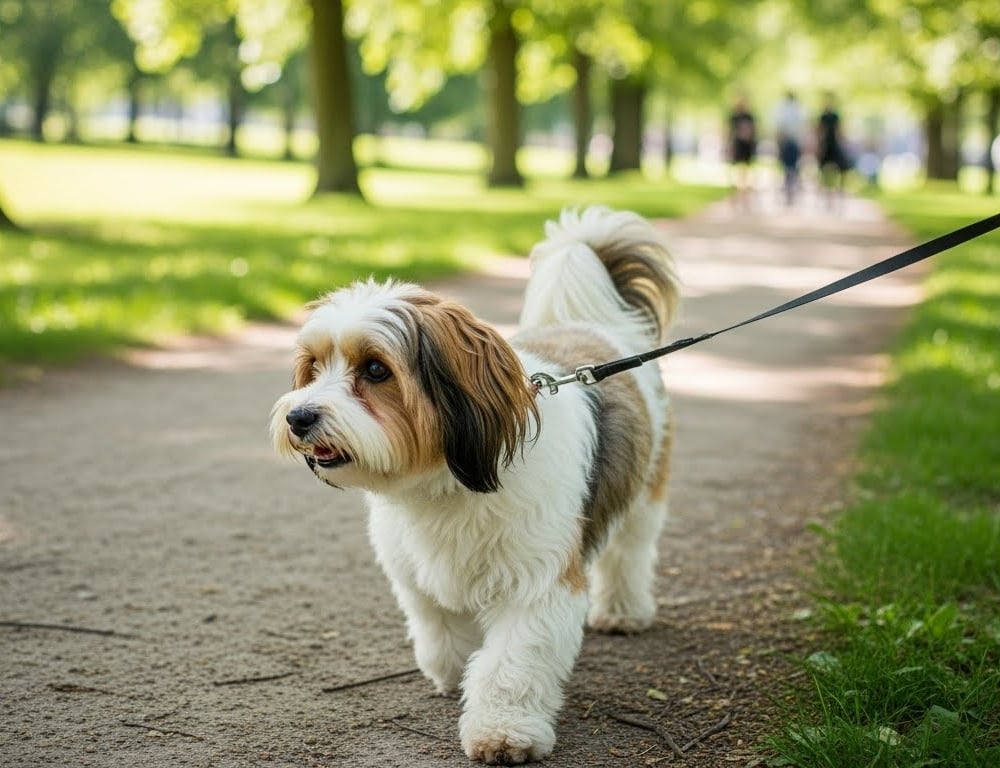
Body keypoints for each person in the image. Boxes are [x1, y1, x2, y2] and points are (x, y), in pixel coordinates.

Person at [816, 91, 850, 207]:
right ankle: (826, 196)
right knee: (823, 171)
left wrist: (843, 143)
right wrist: (819, 146)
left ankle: (840, 193)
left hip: (834, 145)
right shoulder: (822, 116)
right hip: (826, 146)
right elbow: (820, 131)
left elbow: (839, 131)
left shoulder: (835, 116)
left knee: (842, 169)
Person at [774, 90, 805, 206]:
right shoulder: (798, 109)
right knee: (792, 166)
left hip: (788, 141)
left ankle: (789, 188)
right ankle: (791, 188)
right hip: (792, 141)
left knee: (788, 166)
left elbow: (779, 127)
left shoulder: (784, 109)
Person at [727, 94, 757, 210]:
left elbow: (753, 131)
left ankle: (745, 198)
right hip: (737, 146)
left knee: (746, 173)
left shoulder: (749, 117)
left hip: (746, 147)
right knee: (733, 173)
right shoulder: (734, 117)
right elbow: (729, 131)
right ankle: (734, 196)